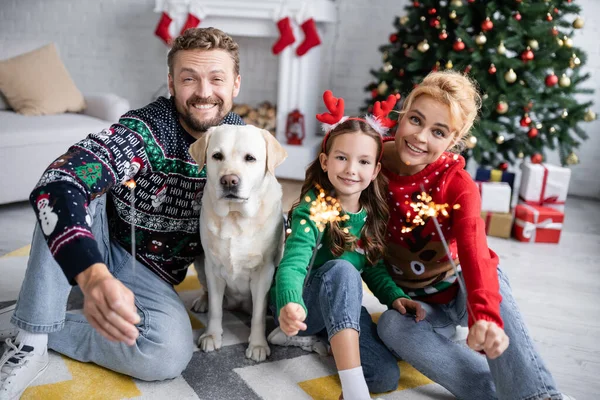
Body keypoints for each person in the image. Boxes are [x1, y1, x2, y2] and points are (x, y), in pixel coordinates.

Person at [0, 27, 244, 399]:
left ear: (236, 85)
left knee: (165, 354)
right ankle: (30, 342)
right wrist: (94, 277)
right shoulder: (146, 128)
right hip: (103, 237)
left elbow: (262, 218)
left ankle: (24, 320)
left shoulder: (246, 145)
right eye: (189, 79)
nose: (204, 92)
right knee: (69, 186)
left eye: (217, 79)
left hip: (151, 272)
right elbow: (57, 182)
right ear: (171, 83)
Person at [375, 70, 570, 400]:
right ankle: (491, 394)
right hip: (420, 306)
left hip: (463, 287)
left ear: (452, 141)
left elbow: (474, 249)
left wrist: (486, 317)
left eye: (437, 132)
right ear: (402, 115)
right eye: (416, 120)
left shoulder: (457, 184)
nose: (420, 137)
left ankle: (537, 396)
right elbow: (339, 151)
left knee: (494, 289)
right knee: (390, 326)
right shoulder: (373, 164)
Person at [267, 91, 424, 400]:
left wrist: (394, 296)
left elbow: (373, 267)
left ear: (376, 170)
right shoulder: (314, 206)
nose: (352, 169)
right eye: (342, 157)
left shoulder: (373, 213)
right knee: (341, 269)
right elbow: (295, 260)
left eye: (363, 161)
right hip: (302, 304)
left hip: (339, 304)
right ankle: (354, 392)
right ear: (325, 161)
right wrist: (288, 301)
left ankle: (333, 344)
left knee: (384, 375)